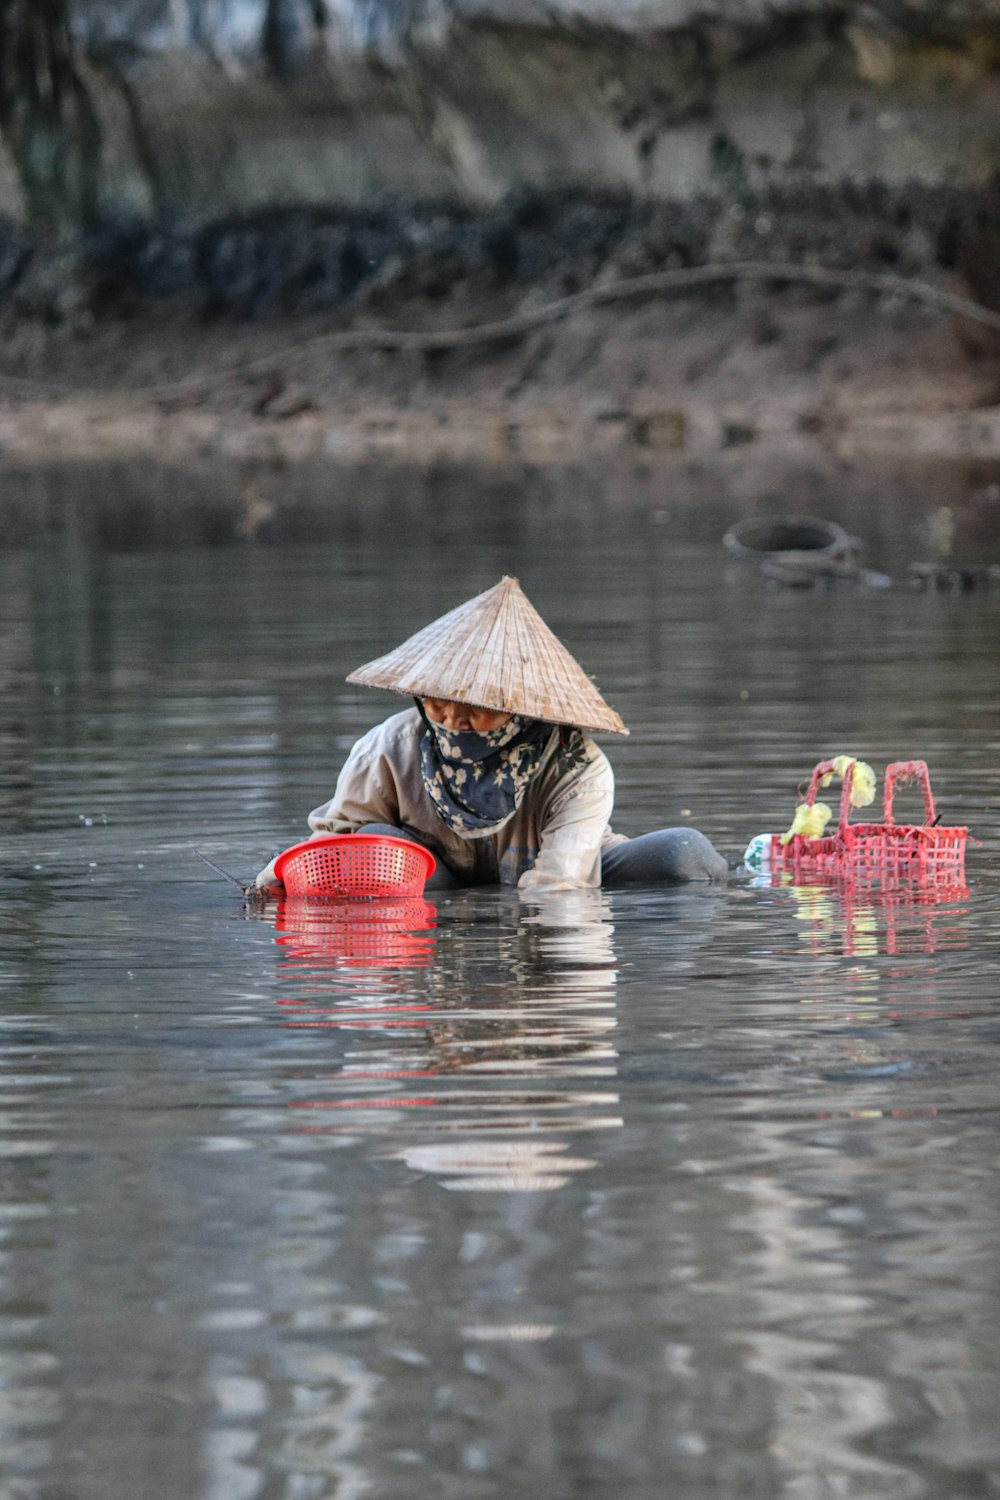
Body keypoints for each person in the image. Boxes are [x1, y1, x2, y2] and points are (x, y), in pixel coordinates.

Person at [254, 576, 727, 895]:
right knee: (372, 844)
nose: (453, 721)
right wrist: (273, 883)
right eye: (438, 701)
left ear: (521, 712)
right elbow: (330, 847)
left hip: (565, 869)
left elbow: (559, 889)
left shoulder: (576, 764)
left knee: (682, 855)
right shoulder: (389, 747)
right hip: (428, 877)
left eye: (479, 711)